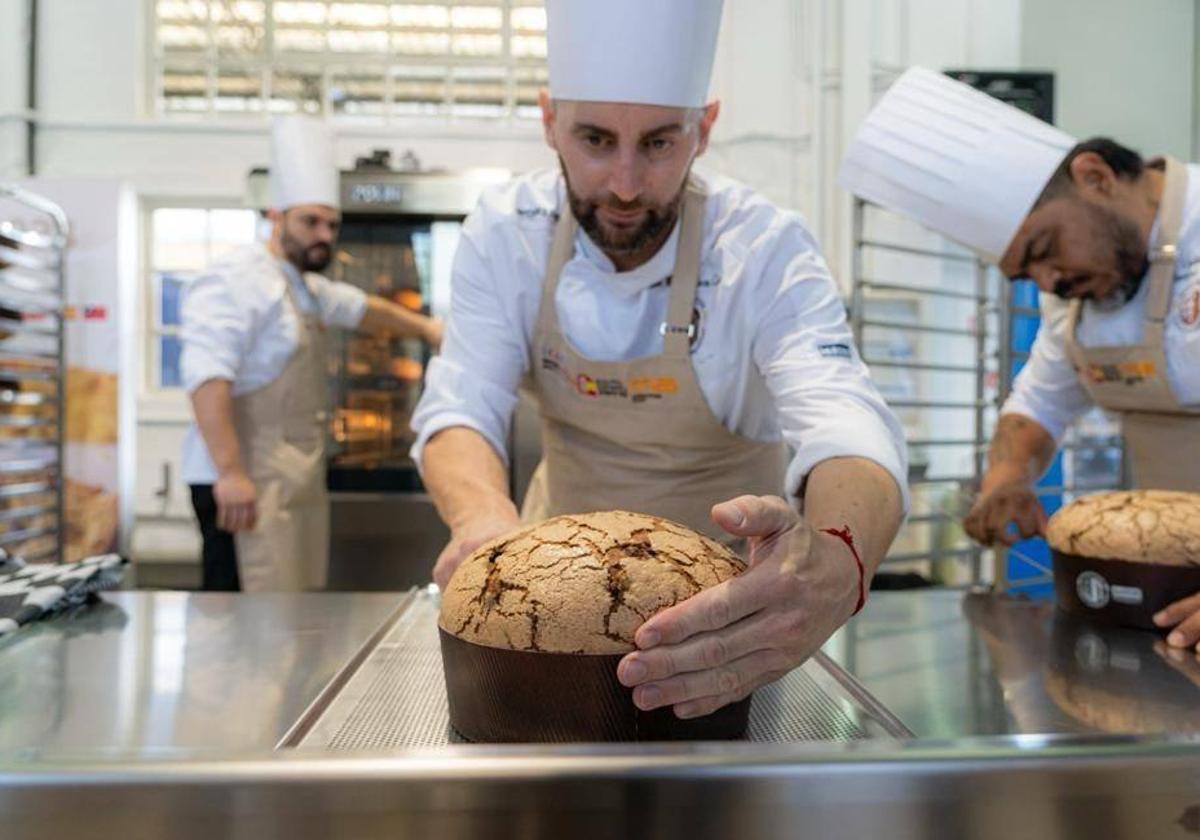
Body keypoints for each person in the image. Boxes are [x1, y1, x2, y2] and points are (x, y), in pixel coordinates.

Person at [412, 0, 907, 720]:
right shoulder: (506, 233)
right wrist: (483, 521)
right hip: (545, 618)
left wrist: (838, 560)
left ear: (703, 129)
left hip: (732, 630)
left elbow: (845, 419)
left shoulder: (762, 249)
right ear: (549, 120)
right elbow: (459, 406)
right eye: (593, 138)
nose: (623, 184)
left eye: (658, 143)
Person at [841, 67, 1200, 650]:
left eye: (1044, 250)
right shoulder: (1080, 297)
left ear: (1095, 176)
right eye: (1026, 274)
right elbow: (1039, 403)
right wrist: (1007, 477)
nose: (1051, 282)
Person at [181, 115, 442, 593]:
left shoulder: (303, 285)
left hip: (288, 482)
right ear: (275, 216)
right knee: (240, 618)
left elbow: (364, 309)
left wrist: (428, 328)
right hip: (241, 479)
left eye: (331, 224)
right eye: (310, 221)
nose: (324, 233)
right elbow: (206, 379)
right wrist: (231, 473)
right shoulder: (236, 279)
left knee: (287, 612)